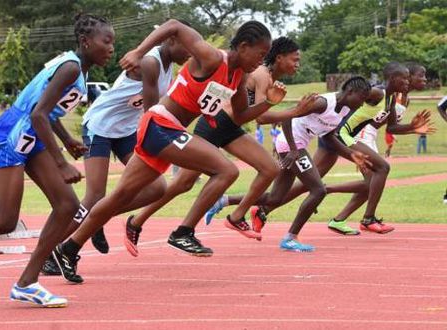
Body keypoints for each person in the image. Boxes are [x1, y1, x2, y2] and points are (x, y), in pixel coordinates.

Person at [52, 19, 281, 281]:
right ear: (242, 46)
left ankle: (66, 249)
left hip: (168, 132)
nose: (261, 61)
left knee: (118, 197)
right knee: (226, 170)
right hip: (159, 124)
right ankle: (183, 232)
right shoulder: (212, 58)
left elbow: (239, 115)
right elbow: (173, 25)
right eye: (260, 54)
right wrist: (139, 52)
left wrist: (268, 104)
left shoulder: (239, 78)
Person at [0, 14, 114, 307]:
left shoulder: (77, 68)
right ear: (86, 42)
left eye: (112, 42)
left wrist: (66, 139)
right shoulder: (71, 67)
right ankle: (27, 282)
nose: (111, 48)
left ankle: (27, 283)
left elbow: (47, 111)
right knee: (3, 220)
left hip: (31, 136)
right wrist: (60, 162)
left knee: (68, 205)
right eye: (106, 41)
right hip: (13, 134)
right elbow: (36, 113)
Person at [125, 36, 313, 257]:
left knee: (270, 168)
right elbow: (262, 118)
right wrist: (294, 112)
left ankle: (236, 217)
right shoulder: (262, 75)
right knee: (183, 184)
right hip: (215, 125)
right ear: (279, 58)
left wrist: (277, 106)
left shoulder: (264, 77)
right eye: (295, 59)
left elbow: (248, 114)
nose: (297, 64)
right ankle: (139, 222)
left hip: (231, 127)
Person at [41, 28, 191, 276]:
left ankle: (98, 218)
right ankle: (49, 253)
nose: (190, 52)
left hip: (126, 131)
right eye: (188, 46)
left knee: (157, 188)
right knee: (94, 195)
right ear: (172, 39)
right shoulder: (149, 63)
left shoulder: (168, 66)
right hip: (101, 126)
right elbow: (153, 113)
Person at [245, 62, 433, 236]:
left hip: (332, 136)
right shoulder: (377, 93)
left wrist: (412, 128)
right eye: (406, 78)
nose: (408, 82)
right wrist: (331, 109)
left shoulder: (392, 100)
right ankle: (367, 219)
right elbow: (349, 95)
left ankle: (264, 210)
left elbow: (391, 127)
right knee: (381, 169)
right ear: (392, 79)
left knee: (311, 183)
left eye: (410, 79)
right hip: (341, 134)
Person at [207, 76, 373, 251]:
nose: (362, 104)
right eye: (362, 99)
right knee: (318, 190)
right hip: (290, 145)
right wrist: (293, 149)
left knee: (275, 198)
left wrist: (351, 153)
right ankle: (290, 237)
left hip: (296, 146)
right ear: (350, 92)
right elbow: (287, 117)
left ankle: (223, 201)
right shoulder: (322, 103)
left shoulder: (344, 110)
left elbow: (328, 137)